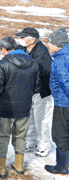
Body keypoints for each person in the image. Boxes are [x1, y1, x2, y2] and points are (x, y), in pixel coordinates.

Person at [0, 36, 40, 177]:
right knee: (21, 136)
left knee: (3, 136)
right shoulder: (33, 63)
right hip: (25, 107)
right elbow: (37, 87)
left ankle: (0, 168)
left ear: (4, 49)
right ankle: (19, 165)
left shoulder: (2, 64)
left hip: (6, 108)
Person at [15, 27, 54, 157]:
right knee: (30, 118)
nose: (20, 40)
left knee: (42, 120)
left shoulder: (42, 53)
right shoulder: (25, 49)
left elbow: (43, 72)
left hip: (42, 92)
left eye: (22, 37)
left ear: (32, 40)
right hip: (30, 91)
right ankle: (31, 143)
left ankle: (44, 146)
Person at [45, 28, 69, 174]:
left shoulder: (60, 60)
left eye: (50, 42)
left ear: (58, 44)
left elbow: (66, 83)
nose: (48, 44)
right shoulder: (66, 55)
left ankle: (62, 167)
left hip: (63, 103)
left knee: (60, 135)